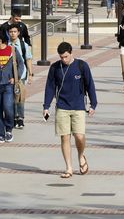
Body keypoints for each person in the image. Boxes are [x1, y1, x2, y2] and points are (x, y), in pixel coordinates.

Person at [43, 42, 98, 179]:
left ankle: (81, 156)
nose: (64, 60)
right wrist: (46, 106)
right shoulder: (55, 68)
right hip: (62, 106)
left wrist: (93, 104)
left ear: (71, 53)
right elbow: (50, 87)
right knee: (65, 137)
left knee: (79, 136)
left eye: (66, 57)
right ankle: (68, 167)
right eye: (61, 57)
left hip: (79, 106)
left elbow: (90, 85)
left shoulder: (81, 66)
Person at [7, 24, 33, 128]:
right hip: (9, 76)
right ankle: (13, 117)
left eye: (14, 32)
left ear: (18, 33)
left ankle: (20, 118)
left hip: (21, 75)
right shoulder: (6, 45)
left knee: (20, 97)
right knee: (12, 98)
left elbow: (28, 59)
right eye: (11, 32)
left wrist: (30, 74)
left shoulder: (24, 45)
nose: (12, 34)